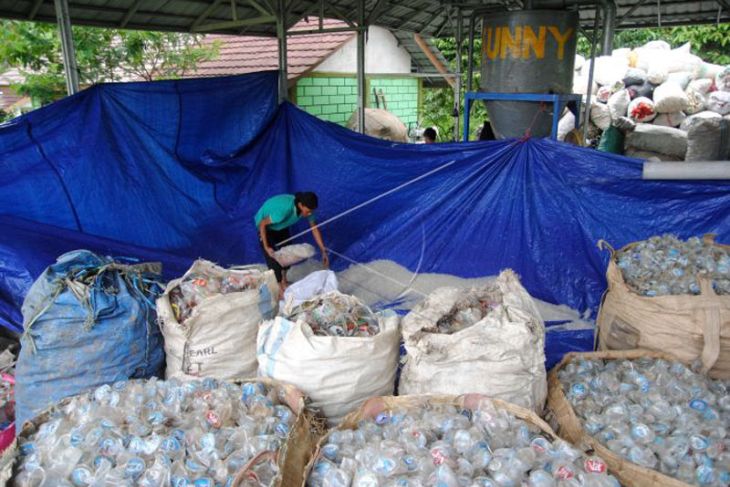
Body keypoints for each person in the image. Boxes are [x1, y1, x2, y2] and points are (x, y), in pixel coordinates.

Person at [254, 192, 328, 293]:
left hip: (280, 226)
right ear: (301, 205)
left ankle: (284, 281)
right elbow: (262, 223)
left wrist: (323, 250)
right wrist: (266, 247)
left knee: (288, 253)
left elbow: (314, 228)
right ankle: (279, 288)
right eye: (308, 211)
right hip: (265, 227)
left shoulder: (308, 209)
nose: (310, 213)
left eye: (312, 211)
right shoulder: (283, 211)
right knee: (273, 258)